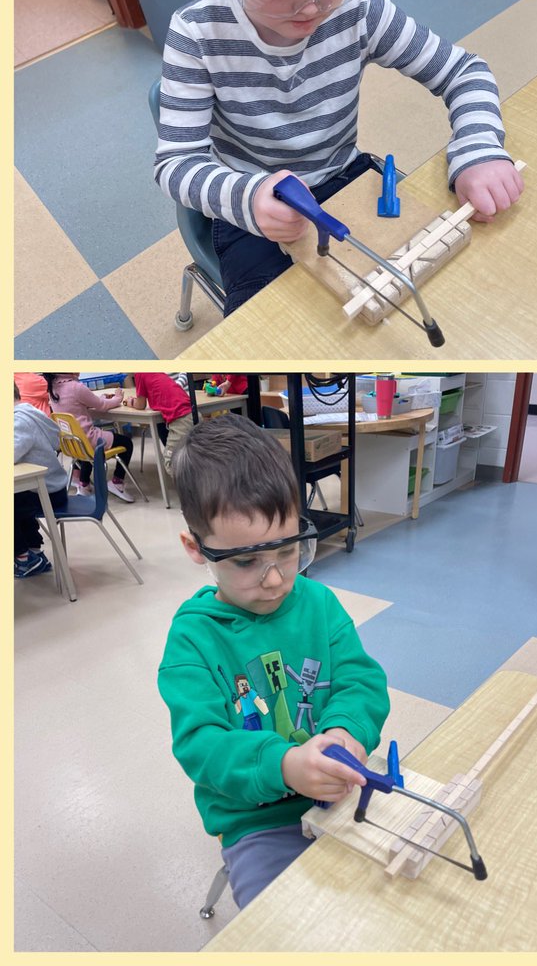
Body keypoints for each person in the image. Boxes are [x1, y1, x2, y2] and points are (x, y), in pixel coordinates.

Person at [152, 0, 523, 316]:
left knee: (432, 294)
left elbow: (465, 71)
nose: (309, 4)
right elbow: (176, 164)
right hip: (250, 212)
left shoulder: (356, 8)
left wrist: (480, 148)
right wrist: (248, 198)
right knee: (282, 332)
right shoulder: (197, 35)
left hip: (345, 177)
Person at [158, 415, 389, 908]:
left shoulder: (318, 604)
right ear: (196, 549)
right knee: (282, 930)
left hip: (341, 795)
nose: (273, 580)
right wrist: (284, 765)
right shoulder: (192, 639)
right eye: (245, 562)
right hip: (258, 822)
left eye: (287, 552)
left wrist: (347, 732)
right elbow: (201, 747)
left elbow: (359, 680)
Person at [44, 373, 136, 502]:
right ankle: (117, 482)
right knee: (126, 442)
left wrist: (101, 399)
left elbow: (81, 402)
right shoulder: (76, 387)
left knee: (86, 451)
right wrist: (118, 398)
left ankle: (84, 485)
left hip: (73, 442)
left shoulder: (53, 388)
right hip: (89, 440)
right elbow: (102, 406)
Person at [14, 382, 69, 578]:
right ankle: (33, 551)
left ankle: (23, 558)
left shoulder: (18, 422)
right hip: (53, 487)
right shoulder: (32, 413)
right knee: (16, 498)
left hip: (47, 493)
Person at [129, 373, 193, 475]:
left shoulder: (140, 373)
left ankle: (194, 489)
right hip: (191, 413)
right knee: (193, 457)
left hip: (181, 419)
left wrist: (130, 401)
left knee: (171, 463)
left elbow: (141, 404)